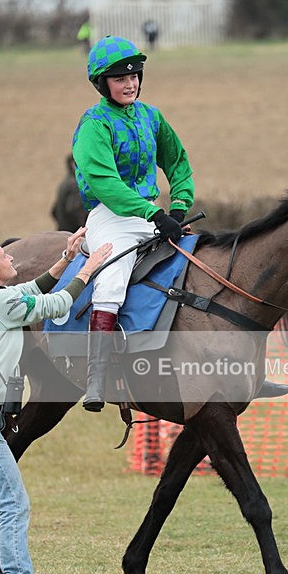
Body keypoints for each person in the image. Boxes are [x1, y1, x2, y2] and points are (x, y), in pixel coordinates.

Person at [0, 231, 112, 574]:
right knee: (12, 501)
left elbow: (36, 286)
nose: (12, 258)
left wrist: (66, 257)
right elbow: (56, 301)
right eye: (3, 256)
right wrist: (89, 267)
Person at [72, 35, 194, 413]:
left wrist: (177, 207)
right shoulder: (94, 123)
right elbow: (103, 182)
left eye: (135, 76)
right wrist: (152, 213)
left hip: (150, 216)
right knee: (112, 279)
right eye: (119, 78)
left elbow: (177, 162)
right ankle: (97, 378)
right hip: (111, 217)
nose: (130, 83)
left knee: (202, 261)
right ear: (101, 84)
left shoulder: (151, 116)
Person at [51, 153, 88, 232]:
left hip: (62, 231)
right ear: (72, 165)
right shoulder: (75, 184)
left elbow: (53, 212)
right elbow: (74, 209)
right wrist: (85, 227)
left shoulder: (65, 182)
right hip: (73, 233)